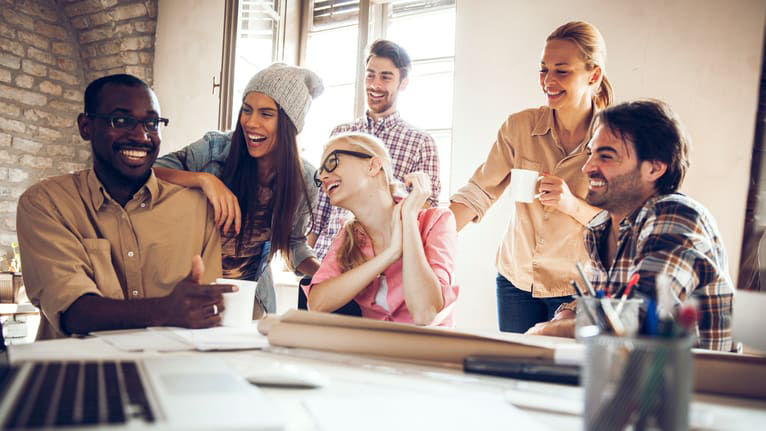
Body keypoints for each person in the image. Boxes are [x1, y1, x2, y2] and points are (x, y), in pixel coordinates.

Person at [16, 74, 233, 339]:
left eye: (152, 123)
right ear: (86, 126)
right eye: (121, 121)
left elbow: (205, 311)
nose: (141, 136)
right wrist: (166, 309)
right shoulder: (47, 203)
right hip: (80, 376)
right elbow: (74, 311)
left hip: (167, 373)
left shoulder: (197, 210)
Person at [527, 100, 734, 352]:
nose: (587, 167)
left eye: (606, 156)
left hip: (686, 385)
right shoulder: (602, 229)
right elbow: (608, 311)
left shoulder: (675, 216)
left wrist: (548, 330)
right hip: (628, 379)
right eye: (590, 153)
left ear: (654, 168)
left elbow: (640, 317)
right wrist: (570, 313)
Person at [449, 21, 612, 333]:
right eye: (543, 69)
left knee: (563, 377)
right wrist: (431, 236)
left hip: (578, 289)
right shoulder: (519, 127)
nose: (548, 80)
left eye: (561, 71)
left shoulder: (615, 139)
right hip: (516, 280)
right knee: (513, 374)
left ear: (594, 75)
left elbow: (624, 224)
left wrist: (570, 204)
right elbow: (480, 191)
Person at [154, 63, 323, 316]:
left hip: (250, 296)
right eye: (247, 110)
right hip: (195, 287)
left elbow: (294, 244)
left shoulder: (305, 179)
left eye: (266, 114)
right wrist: (204, 180)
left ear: (289, 124)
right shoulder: (214, 149)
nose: (251, 123)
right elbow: (149, 171)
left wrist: (329, 275)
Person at [308, 39, 441, 262]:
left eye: (385, 77)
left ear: (403, 83)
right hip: (327, 257)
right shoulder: (341, 133)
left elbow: (426, 212)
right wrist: (307, 258)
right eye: (370, 75)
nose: (375, 84)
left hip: (381, 264)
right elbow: (321, 204)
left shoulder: (421, 142)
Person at [305, 133, 458, 326]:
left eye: (332, 162)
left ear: (373, 166)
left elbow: (424, 313)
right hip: (373, 352)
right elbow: (316, 304)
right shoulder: (349, 235)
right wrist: (390, 254)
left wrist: (409, 218)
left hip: (427, 352)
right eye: (320, 173)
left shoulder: (437, 221)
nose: (323, 177)